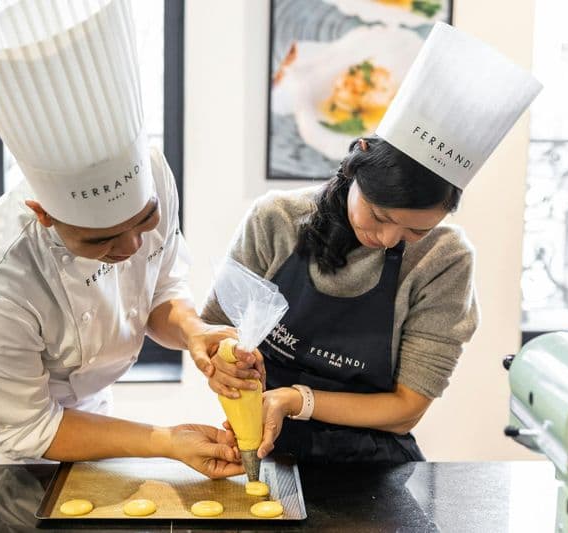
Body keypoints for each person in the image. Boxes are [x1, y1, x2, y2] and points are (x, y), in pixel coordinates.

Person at [0, 0, 251, 477]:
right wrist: (163, 441)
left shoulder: (154, 173)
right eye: (102, 241)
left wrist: (193, 332)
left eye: (145, 221)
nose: (133, 247)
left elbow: (159, 290)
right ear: (43, 213)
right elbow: (28, 428)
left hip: (91, 417)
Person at [201, 22, 542, 463]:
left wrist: (295, 399)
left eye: (414, 231)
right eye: (379, 216)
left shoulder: (445, 259)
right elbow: (213, 332)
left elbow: (406, 409)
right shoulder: (277, 220)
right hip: (263, 447)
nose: (387, 239)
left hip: (376, 465)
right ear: (354, 167)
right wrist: (228, 367)